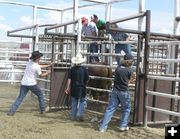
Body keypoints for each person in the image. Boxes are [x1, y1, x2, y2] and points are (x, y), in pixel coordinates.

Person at [7, 50, 51, 116]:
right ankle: (42, 110)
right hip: (31, 84)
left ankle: (11, 111)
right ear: (37, 58)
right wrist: (48, 72)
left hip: (24, 83)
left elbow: (39, 66)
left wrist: (47, 65)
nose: (40, 58)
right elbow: (41, 75)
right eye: (39, 57)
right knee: (40, 95)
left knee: (20, 98)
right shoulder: (36, 66)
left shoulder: (30, 62)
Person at [99, 54, 135, 132]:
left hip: (115, 90)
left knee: (110, 109)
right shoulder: (130, 70)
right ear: (130, 61)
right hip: (124, 91)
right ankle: (123, 125)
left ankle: (103, 127)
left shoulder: (118, 68)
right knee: (126, 108)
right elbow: (130, 80)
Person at [65, 53, 89, 121]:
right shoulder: (84, 69)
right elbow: (87, 79)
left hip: (73, 88)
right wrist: (85, 84)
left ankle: (73, 116)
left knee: (74, 102)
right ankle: (79, 115)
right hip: (82, 88)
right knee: (82, 101)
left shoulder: (72, 69)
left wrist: (68, 88)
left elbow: (69, 79)